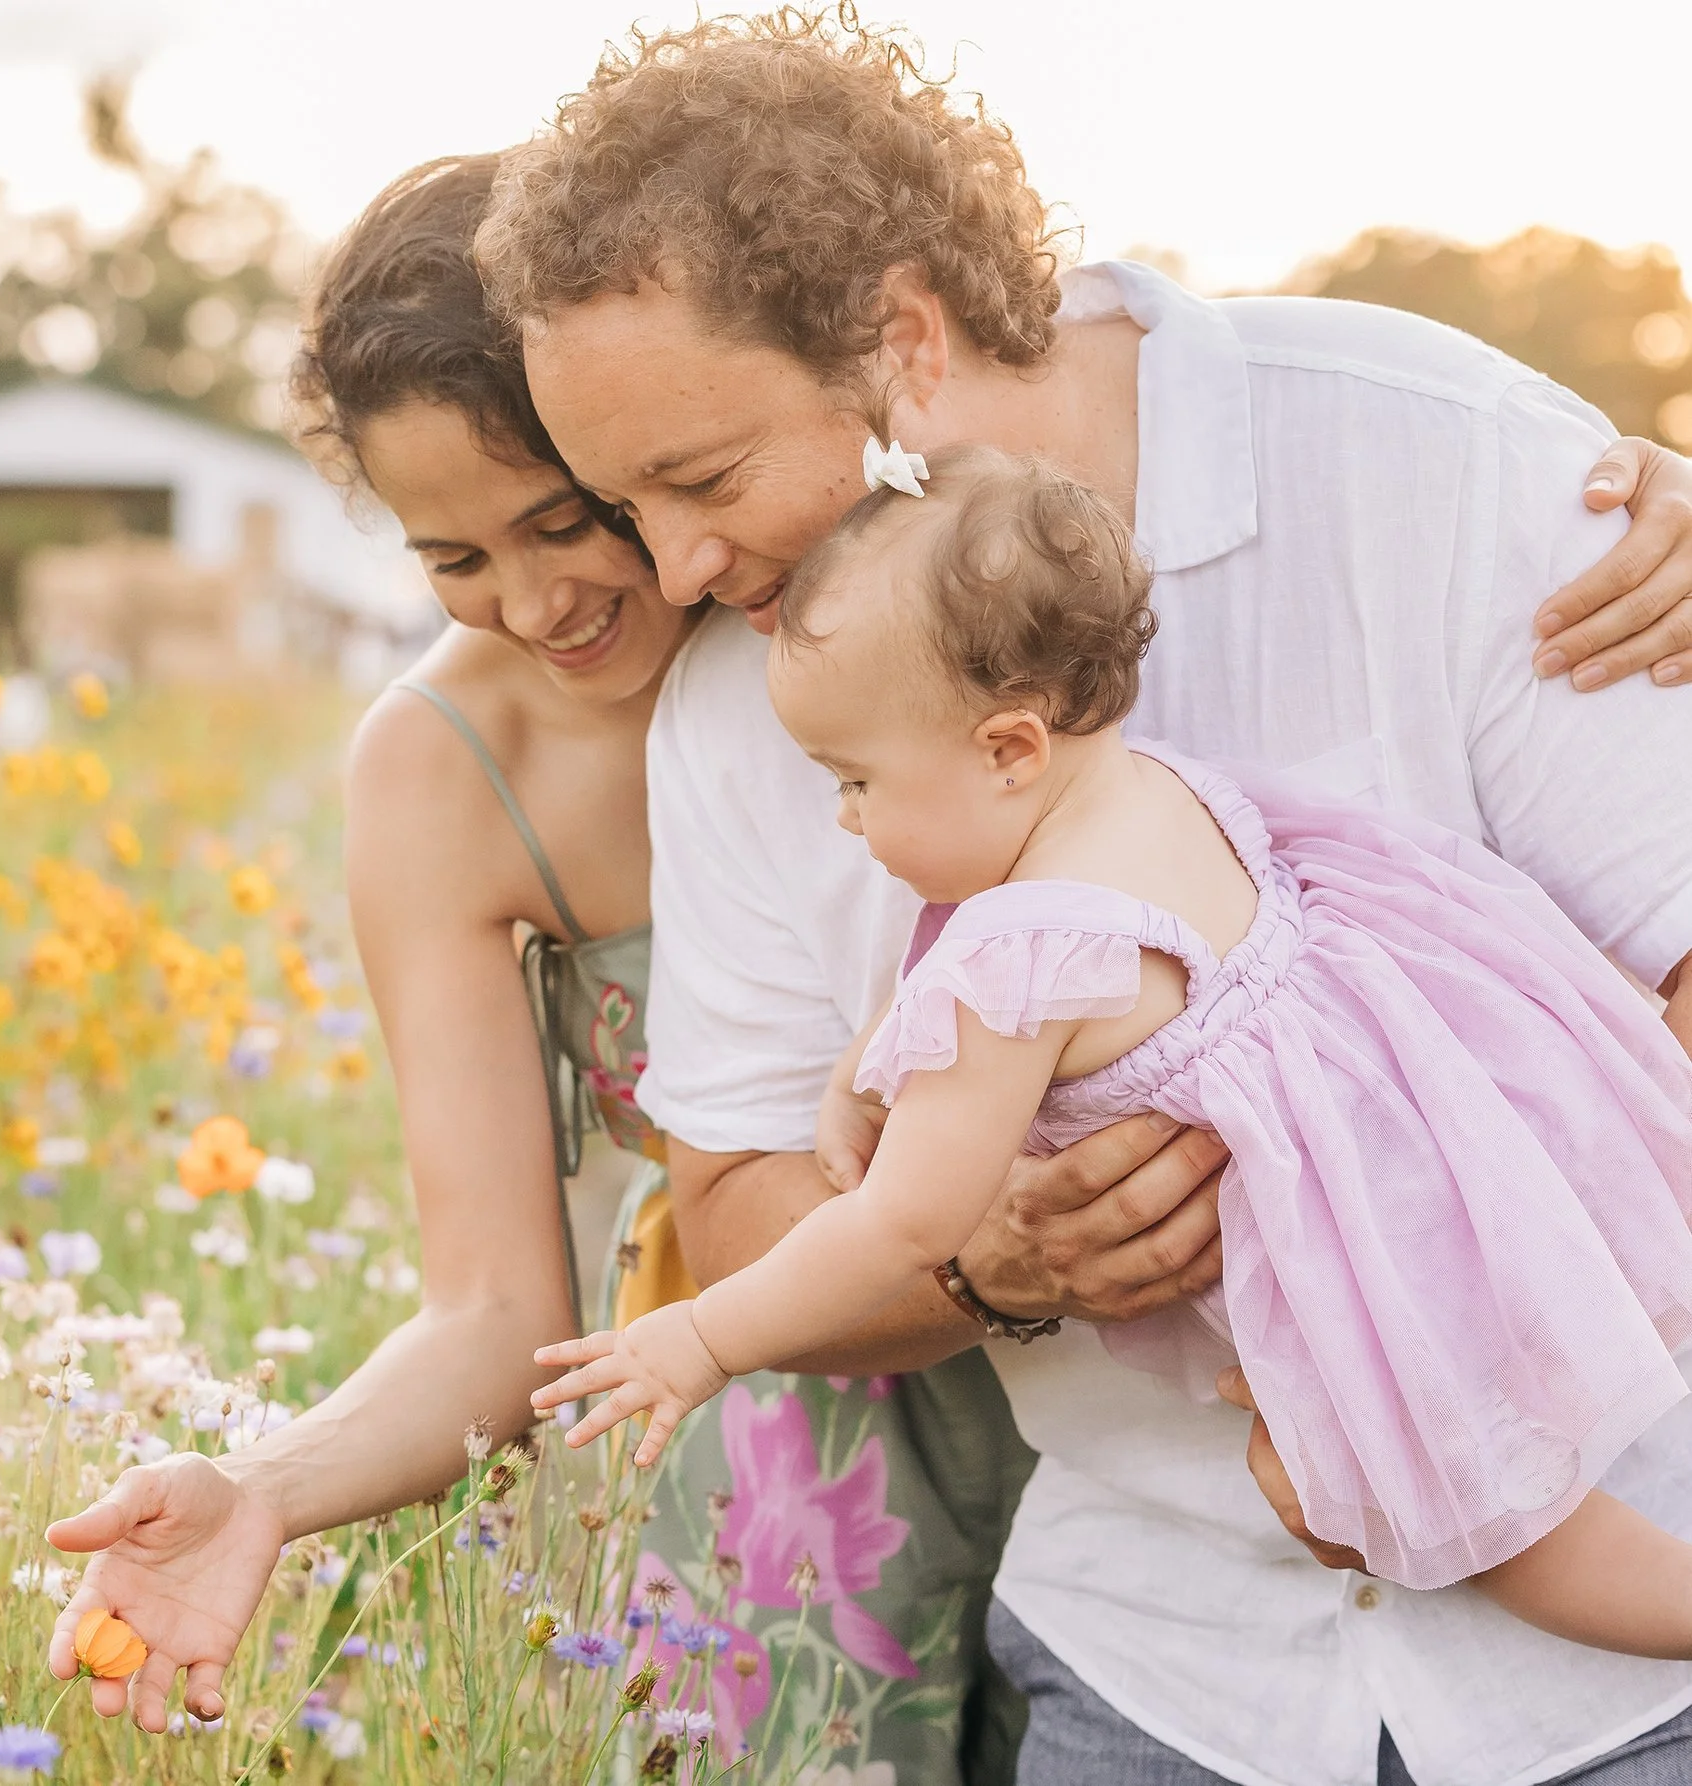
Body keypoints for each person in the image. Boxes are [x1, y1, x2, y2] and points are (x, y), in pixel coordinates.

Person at [473, 12, 1692, 1782]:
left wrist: (1444, 1363)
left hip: (1630, 1648)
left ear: (905, 339)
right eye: (622, 502)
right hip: (1158, 1669)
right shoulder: (747, 688)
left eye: (704, 480)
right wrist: (990, 1262)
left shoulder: (1442, 458)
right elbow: (738, 1194)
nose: (674, 568)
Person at [41, 154, 1039, 1783]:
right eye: (453, 558)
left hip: (1108, 1391)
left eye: (566, 518)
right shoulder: (443, 767)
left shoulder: (908, 606)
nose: (533, 600)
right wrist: (267, 1488)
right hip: (773, 1470)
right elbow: (496, 1307)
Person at [535, 443, 1692, 1665]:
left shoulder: (1013, 971)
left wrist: (703, 1338)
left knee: (1503, 1532)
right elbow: (991, 964)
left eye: (857, 780)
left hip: (1368, 1259)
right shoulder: (1160, 791)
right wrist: (866, 1061)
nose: (846, 816)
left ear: (1008, 750)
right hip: (1444, 1171)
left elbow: (901, 1225)